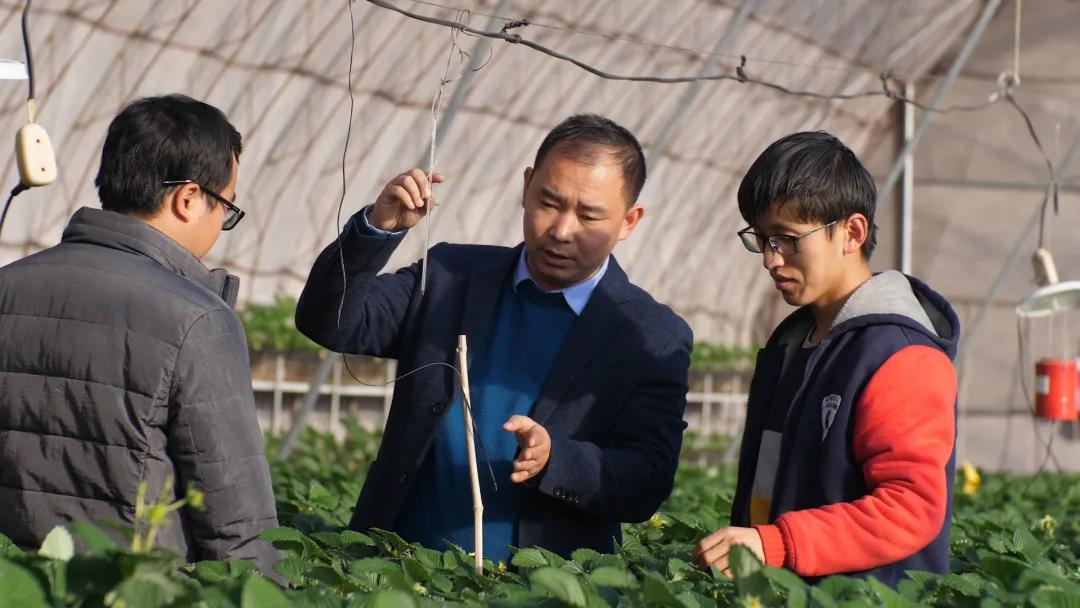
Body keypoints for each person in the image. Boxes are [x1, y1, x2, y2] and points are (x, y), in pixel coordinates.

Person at [296, 114, 693, 562]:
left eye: (589, 215)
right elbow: (332, 323)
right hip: (398, 571)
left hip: (542, 588)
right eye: (549, 202)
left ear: (629, 221)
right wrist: (378, 229)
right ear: (526, 187)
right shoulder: (451, 277)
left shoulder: (650, 337)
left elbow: (648, 479)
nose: (561, 230)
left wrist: (556, 458)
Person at [0, 94, 278, 573]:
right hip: (127, 588)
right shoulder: (196, 319)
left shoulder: (7, 286)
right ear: (188, 199)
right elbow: (236, 526)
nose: (221, 225)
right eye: (226, 208)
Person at [693, 131, 959, 587]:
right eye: (762, 240)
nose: (770, 261)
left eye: (787, 239)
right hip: (781, 588)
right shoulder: (794, 345)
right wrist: (754, 550)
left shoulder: (900, 354)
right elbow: (767, 485)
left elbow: (910, 507)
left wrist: (774, 544)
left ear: (851, 233)